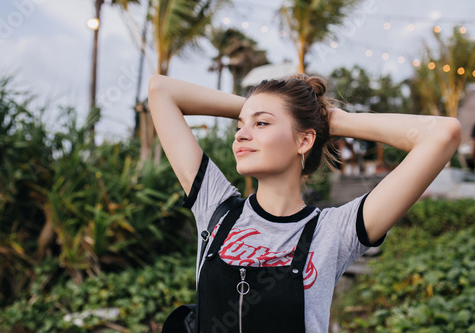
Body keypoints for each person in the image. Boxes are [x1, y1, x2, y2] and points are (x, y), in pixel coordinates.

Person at [148, 73, 461, 333]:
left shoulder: (335, 232)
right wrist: (259, 109)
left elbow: (443, 133)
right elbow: (161, 90)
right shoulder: (216, 207)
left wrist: (331, 120)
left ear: (304, 140)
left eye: (261, 124)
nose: (241, 135)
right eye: (239, 125)